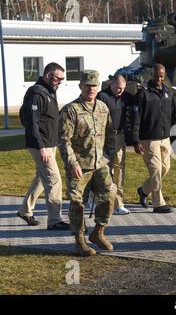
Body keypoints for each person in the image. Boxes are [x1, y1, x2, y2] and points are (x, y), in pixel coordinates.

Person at [59, 70, 116, 257]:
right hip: (79, 165)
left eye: (94, 86)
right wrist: (72, 162)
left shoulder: (102, 107)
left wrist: (108, 158)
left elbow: (109, 134)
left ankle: (98, 232)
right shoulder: (71, 110)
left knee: (109, 194)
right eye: (87, 86)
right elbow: (64, 141)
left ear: (98, 87)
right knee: (77, 202)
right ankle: (79, 241)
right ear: (81, 87)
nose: (91, 89)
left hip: (100, 163)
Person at [18, 62, 70, 230]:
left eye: (62, 79)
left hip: (49, 144)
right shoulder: (37, 93)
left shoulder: (49, 91)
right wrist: (41, 147)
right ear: (48, 75)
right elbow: (32, 122)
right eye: (58, 78)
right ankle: (55, 221)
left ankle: (25, 211)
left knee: (42, 178)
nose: (60, 82)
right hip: (41, 145)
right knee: (54, 180)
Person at [132, 63, 176, 214]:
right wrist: (136, 140)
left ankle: (144, 190)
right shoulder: (143, 92)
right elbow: (136, 117)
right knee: (156, 170)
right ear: (152, 74)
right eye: (156, 75)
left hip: (165, 137)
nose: (159, 78)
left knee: (165, 168)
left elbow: (173, 114)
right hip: (148, 139)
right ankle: (158, 203)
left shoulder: (168, 93)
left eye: (161, 76)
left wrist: (175, 133)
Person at [96, 74, 135, 215]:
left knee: (119, 169)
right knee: (104, 170)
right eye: (118, 88)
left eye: (123, 88)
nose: (120, 91)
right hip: (104, 136)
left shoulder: (125, 96)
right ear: (111, 84)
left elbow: (137, 101)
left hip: (119, 136)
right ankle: (101, 201)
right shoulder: (102, 96)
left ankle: (119, 203)